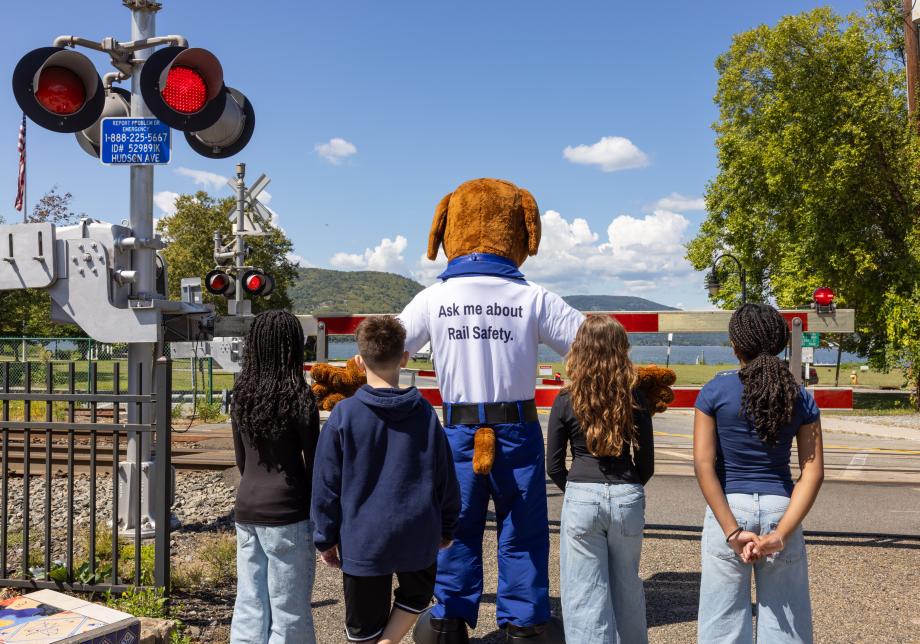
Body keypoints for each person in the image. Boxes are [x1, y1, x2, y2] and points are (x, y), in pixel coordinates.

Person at [312, 315, 461, 644]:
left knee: (362, 630)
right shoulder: (423, 412)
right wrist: (447, 526)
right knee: (416, 597)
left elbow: (326, 485)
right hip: (418, 532)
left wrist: (325, 537)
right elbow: (445, 476)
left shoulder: (344, 415)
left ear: (360, 361)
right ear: (405, 358)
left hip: (364, 539)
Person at [694, 303, 825, 643]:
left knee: (722, 625)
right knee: (787, 627)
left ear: (735, 345)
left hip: (729, 508)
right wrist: (781, 533)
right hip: (781, 508)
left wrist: (732, 530)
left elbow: (704, 465)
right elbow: (812, 472)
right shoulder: (800, 397)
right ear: (780, 342)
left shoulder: (713, 392)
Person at [546, 315, 655, 644]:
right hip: (626, 493)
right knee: (627, 587)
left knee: (584, 593)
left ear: (579, 350)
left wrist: (578, 489)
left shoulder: (566, 398)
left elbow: (553, 464)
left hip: (581, 495)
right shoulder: (635, 396)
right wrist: (628, 487)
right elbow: (646, 462)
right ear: (621, 350)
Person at [229, 310, 320, 644]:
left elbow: (242, 459)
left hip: (247, 509)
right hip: (288, 514)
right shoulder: (300, 398)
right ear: (292, 347)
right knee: (288, 611)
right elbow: (315, 463)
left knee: (250, 604)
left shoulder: (241, 395)